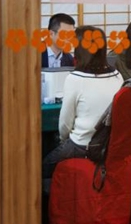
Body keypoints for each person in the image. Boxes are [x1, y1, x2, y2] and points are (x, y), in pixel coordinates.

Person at [42, 26, 123, 179]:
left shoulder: (75, 78)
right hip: (109, 145)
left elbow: (65, 125)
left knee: (43, 167)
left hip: (81, 145)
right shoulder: (117, 75)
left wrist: (63, 141)